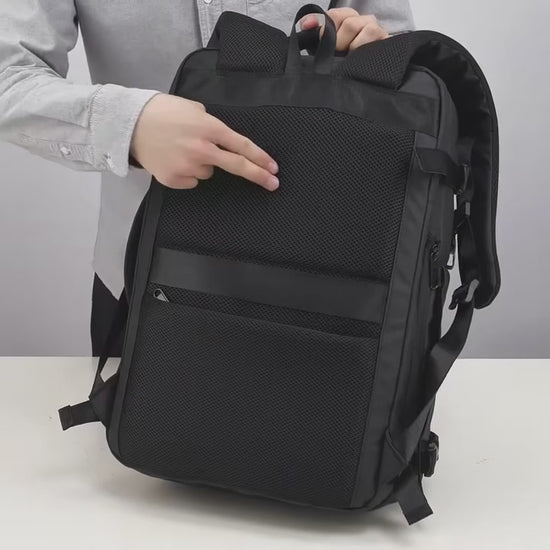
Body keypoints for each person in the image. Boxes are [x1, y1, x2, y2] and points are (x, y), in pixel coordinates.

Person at [0, 1, 414, 355]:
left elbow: (410, 66)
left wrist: (373, 50)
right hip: (143, 279)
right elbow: (8, 76)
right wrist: (130, 124)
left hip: (330, 281)